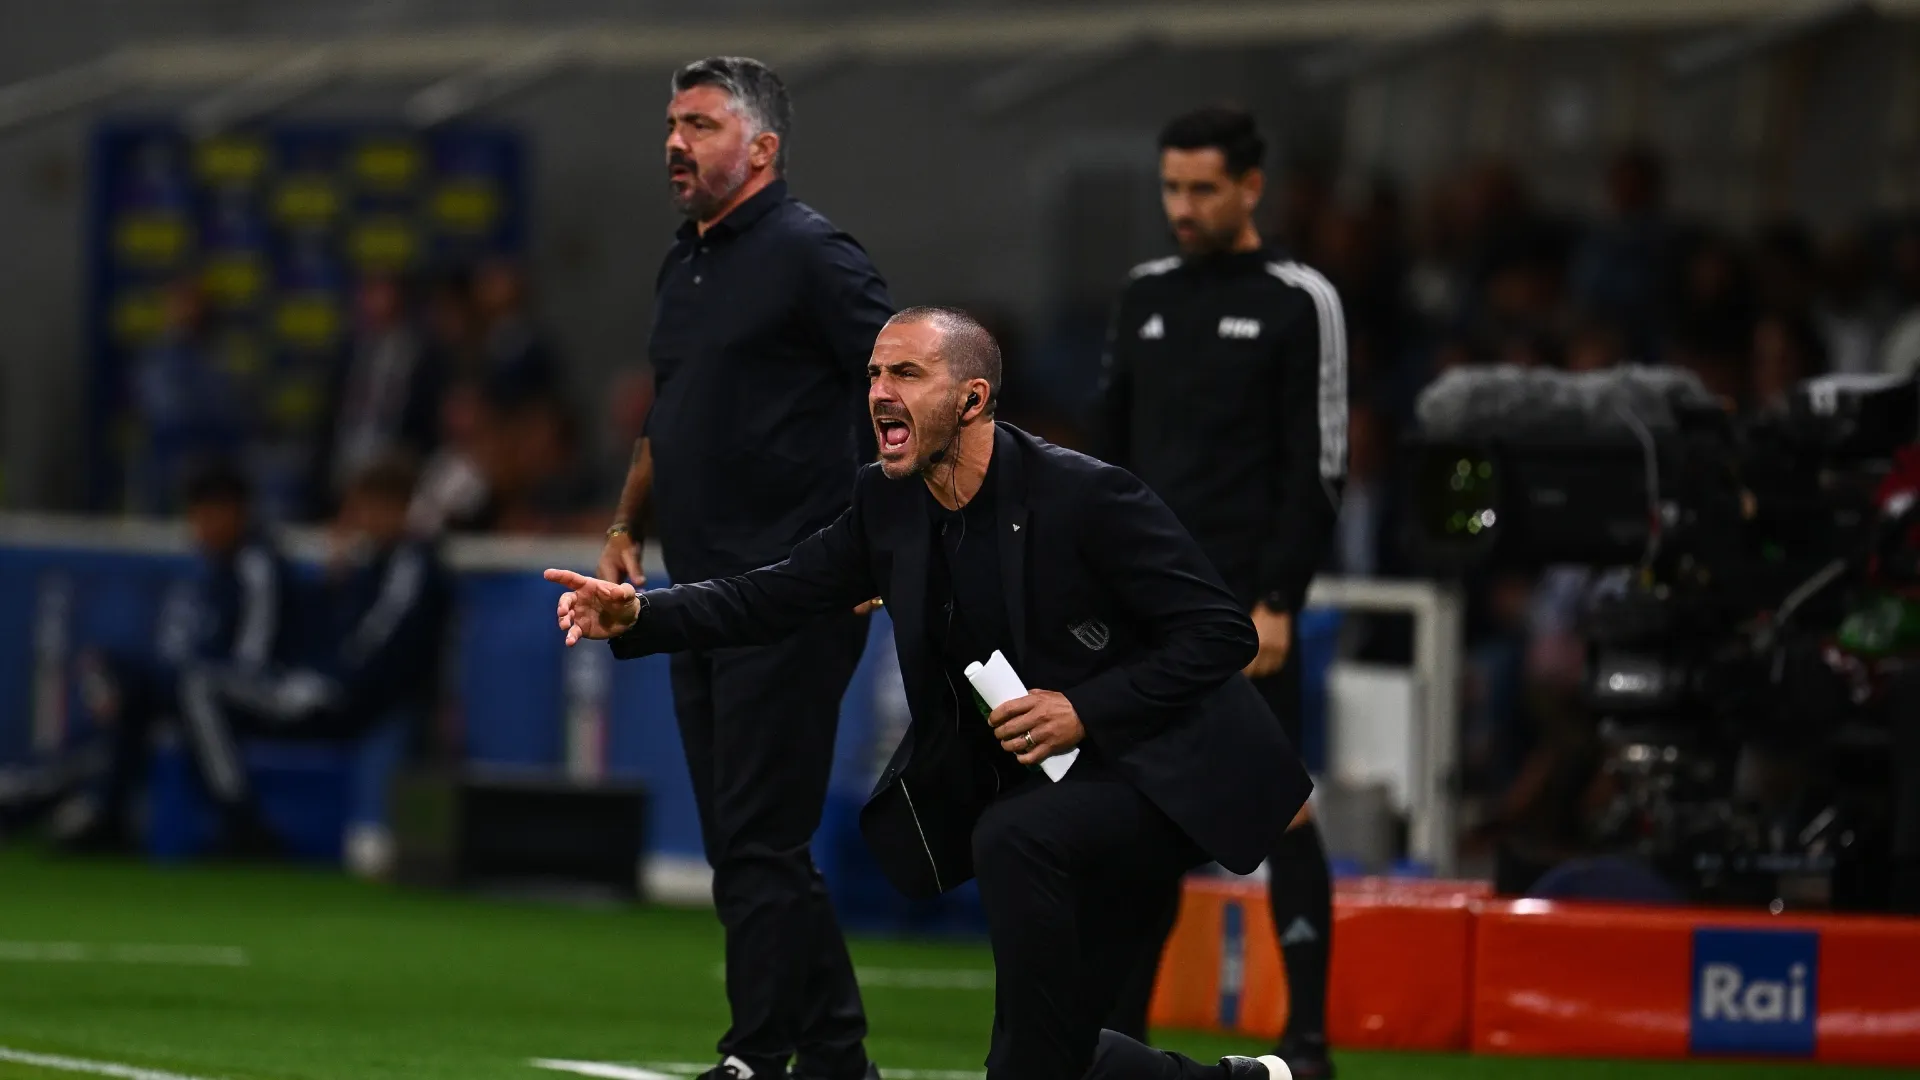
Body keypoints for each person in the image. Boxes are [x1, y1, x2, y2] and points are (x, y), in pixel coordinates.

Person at [549, 308, 1310, 1080]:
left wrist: (1084, 711)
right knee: (1052, 1052)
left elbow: (1222, 634)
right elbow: (774, 595)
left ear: (973, 399)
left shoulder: (1083, 496)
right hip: (1062, 786)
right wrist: (643, 612)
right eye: (875, 373)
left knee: (1016, 841)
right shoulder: (887, 504)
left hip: (1163, 774)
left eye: (906, 373)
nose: (879, 391)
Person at [593, 56, 894, 1080]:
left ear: (762, 148)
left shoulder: (816, 257)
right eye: (672, 124)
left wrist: (886, 543)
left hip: (793, 591)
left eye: (703, 125)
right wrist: (630, 525)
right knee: (747, 844)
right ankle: (838, 1057)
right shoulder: (688, 261)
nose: (677, 143)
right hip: (696, 593)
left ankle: (758, 1058)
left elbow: (910, 390)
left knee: (759, 840)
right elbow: (667, 411)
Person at [1096, 106, 1346, 1078]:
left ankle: (1310, 1041)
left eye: (1202, 188)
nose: (1183, 207)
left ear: (1251, 186)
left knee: (1281, 810)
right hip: (1140, 614)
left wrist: (1278, 597)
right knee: (1138, 819)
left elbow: (1317, 465)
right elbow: (1107, 460)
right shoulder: (1141, 296)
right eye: (1171, 188)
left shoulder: (1299, 299)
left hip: (1244, 612)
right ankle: (1120, 1040)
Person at [168, 456, 451, 852]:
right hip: (330, 689)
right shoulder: (368, 566)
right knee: (196, 687)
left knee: (201, 688)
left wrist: (329, 682)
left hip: (354, 701)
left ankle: (240, 821)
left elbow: (381, 643)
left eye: (364, 507)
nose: (355, 519)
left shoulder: (411, 563)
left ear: (394, 507)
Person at [57, 460, 296, 854]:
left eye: (206, 514)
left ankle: (241, 820)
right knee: (123, 681)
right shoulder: (216, 570)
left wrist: (201, 674)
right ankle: (108, 811)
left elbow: (254, 657)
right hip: (208, 682)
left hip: (258, 689)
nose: (198, 526)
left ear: (234, 512)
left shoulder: (258, 565)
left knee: (187, 686)